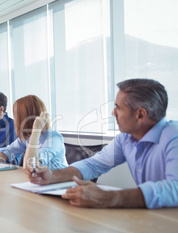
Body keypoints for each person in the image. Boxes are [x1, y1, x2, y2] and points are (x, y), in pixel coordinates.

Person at [25, 78, 178, 209]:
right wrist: (52, 176)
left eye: (118, 107)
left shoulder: (173, 136)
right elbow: (93, 165)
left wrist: (108, 197)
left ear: (140, 114)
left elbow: (175, 188)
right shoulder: (125, 139)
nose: (113, 113)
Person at [0, 95, 68, 169]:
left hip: (59, 186)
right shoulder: (27, 137)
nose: (14, 120)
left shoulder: (54, 138)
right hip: (41, 183)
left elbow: (31, 166)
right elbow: (6, 153)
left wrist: (36, 131)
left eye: (16, 116)